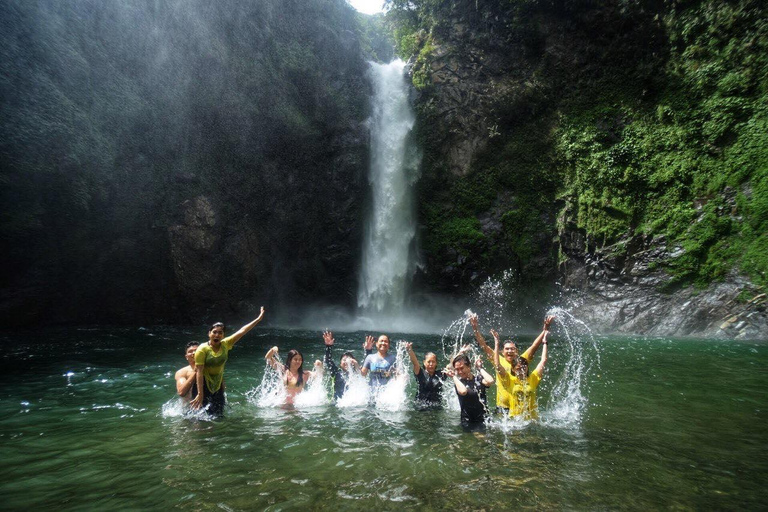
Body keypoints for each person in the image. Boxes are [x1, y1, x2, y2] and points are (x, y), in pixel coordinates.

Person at [470, 314, 554, 414]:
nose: (510, 351)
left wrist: (545, 329)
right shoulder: (498, 359)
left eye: (512, 349)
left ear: (516, 351)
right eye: (507, 349)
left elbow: (535, 345)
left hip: (520, 407)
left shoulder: (522, 361)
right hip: (502, 407)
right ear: (502, 351)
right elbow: (483, 345)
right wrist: (475, 328)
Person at [190, 307, 266, 416]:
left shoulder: (226, 344)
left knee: (218, 415)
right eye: (214, 332)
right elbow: (199, 372)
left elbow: (243, 331)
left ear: (223, 335)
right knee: (199, 416)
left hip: (218, 384)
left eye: (220, 333)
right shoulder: (202, 349)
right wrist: (200, 394)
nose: (217, 335)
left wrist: (258, 319)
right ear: (209, 333)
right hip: (203, 385)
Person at [495, 330, 550, 420]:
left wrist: (545, 343)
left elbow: (543, 360)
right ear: (513, 369)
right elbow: (497, 365)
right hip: (515, 420)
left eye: (524, 368)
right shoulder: (509, 380)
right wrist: (497, 345)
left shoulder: (533, 378)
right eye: (518, 369)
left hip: (532, 419)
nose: (522, 371)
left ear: (527, 368)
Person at [447, 353, 494, 432]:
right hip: (469, 421)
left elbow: (490, 381)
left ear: (469, 366)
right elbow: (463, 391)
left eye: (462, 368)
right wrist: (453, 377)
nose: (460, 372)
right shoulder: (459, 383)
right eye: (457, 369)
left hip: (484, 419)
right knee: (480, 440)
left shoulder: (478, 379)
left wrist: (480, 368)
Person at [405, 342, 447, 408]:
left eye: (433, 362)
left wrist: (460, 353)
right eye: (429, 361)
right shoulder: (420, 373)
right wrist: (409, 350)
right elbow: (415, 362)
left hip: (436, 408)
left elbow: (451, 365)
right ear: (424, 362)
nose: (431, 364)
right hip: (420, 407)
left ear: (436, 363)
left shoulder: (441, 374)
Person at [322, 330, 360, 400]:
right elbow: (328, 360)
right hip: (337, 404)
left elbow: (364, 372)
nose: (347, 362)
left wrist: (368, 350)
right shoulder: (336, 373)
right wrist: (328, 346)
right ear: (340, 364)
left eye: (349, 360)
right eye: (344, 360)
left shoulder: (356, 374)